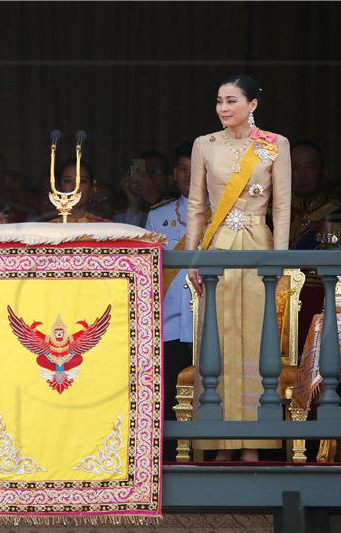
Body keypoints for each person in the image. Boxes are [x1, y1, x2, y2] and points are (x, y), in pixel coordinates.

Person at [185, 74, 291, 462]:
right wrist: (193, 257)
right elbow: (197, 207)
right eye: (219, 101)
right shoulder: (204, 145)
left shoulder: (274, 145)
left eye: (231, 101)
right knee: (217, 339)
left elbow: (281, 206)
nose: (223, 108)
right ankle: (217, 443)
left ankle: (253, 445)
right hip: (217, 251)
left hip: (259, 250)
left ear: (253, 105)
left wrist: (280, 258)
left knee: (255, 339)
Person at [145, 141, 194, 461]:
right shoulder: (158, 216)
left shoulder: (227, 216)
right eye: (182, 169)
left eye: (195, 170)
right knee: (170, 396)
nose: (188, 176)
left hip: (214, 323)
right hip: (171, 324)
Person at [289, 140, 341, 250]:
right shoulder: (270, 215)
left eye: (310, 168)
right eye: (295, 168)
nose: (302, 176)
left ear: (323, 172)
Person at [48, 158, 110, 223]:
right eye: (68, 181)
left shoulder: (107, 228)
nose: (75, 188)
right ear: (58, 188)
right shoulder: (47, 229)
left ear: (91, 189)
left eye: (82, 181)